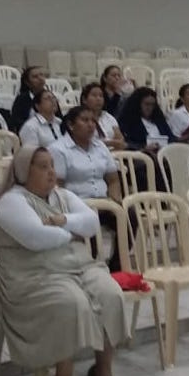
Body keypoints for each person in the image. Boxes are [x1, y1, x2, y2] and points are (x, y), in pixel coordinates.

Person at [0, 146, 129, 376]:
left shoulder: (62, 196)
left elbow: (90, 225)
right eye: (42, 166)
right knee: (71, 302)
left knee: (110, 293)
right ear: (23, 171)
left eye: (52, 165)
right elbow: (37, 238)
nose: (51, 171)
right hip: (32, 275)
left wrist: (62, 220)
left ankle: (102, 371)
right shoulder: (12, 201)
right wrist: (71, 232)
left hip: (76, 265)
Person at [49, 107, 129, 271]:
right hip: (78, 203)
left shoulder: (100, 146)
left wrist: (115, 200)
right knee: (88, 222)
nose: (91, 125)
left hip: (104, 202)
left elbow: (113, 179)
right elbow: (58, 185)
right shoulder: (58, 149)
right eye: (85, 120)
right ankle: (89, 267)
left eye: (93, 121)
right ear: (71, 125)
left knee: (129, 215)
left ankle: (117, 265)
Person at [117, 87, 176, 155]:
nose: (150, 108)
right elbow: (127, 143)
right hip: (142, 156)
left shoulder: (159, 120)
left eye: (152, 105)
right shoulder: (127, 121)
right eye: (147, 104)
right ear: (138, 104)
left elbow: (170, 138)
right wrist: (144, 148)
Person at [80, 83, 127, 151]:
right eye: (94, 95)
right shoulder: (79, 118)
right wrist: (111, 143)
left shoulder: (108, 117)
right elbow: (86, 141)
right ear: (84, 99)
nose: (98, 99)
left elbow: (120, 139)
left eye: (101, 96)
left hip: (114, 154)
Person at [10, 66, 47, 132]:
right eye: (35, 77)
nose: (40, 78)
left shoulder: (50, 96)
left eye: (41, 75)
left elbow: (58, 117)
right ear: (27, 82)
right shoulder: (21, 99)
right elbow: (15, 121)